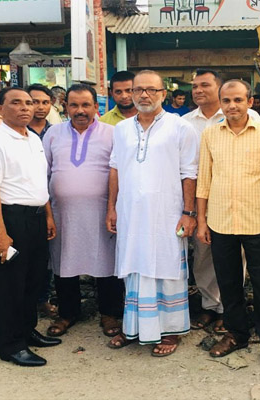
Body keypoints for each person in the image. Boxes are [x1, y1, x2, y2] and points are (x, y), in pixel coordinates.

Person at [106, 70, 198, 356]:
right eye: (138, 90)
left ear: (163, 94)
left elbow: (189, 173)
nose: (144, 95)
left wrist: (189, 212)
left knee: (166, 267)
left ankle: (170, 331)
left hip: (167, 213)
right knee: (133, 266)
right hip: (130, 213)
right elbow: (115, 168)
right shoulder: (122, 129)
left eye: (151, 90)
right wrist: (111, 207)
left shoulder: (180, 127)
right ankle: (134, 328)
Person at [197, 79, 260, 371]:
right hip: (220, 221)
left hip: (257, 222)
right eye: (226, 100)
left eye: (238, 100)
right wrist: (202, 221)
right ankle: (236, 333)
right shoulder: (210, 135)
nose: (232, 105)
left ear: (250, 102)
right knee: (228, 282)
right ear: (220, 103)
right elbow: (204, 181)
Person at [0, 87, 60, 367]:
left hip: (36, 217)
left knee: (33, 280)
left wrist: (48, 215)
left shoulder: (33, 138)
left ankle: (27, 331)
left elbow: (38, 182)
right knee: (10, 284)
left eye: (29, 103)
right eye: (16, 103)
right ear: (0, 109)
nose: (25, 107)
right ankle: (11, 345)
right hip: (10, 219)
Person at [183, 69, 260, 333]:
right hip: (200, 200)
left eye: (205, 85)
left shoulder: (248, 116)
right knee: (203, 255)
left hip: (237, 201)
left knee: (235, 258)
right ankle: (210, 305)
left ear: (219, 89)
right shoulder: (185, 122)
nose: (198, 90)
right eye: (195, 86)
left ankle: (229, 309)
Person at [43, 84, 124, 338]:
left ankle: (110, 313)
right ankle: (68, 313)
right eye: (74, 105)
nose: (80, 110)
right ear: (65, 107)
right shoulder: (53, 133)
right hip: (62, 214)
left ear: (96, 107)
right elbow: (43, 173)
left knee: (107, 263)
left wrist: (114, 208)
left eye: (86, 105)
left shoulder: (112, 134)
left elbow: (119, 173)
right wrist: (47, 213)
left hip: (102, 212)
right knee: (64, 262)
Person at [26, 84, 57, 319]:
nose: (40, 107)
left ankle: (43, 299)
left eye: (45, 102)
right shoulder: (19, 131)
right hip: (25, 203)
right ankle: (26, 303)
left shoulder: (56, 132)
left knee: (46, 255)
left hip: (51, 200)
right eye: (34, 101)